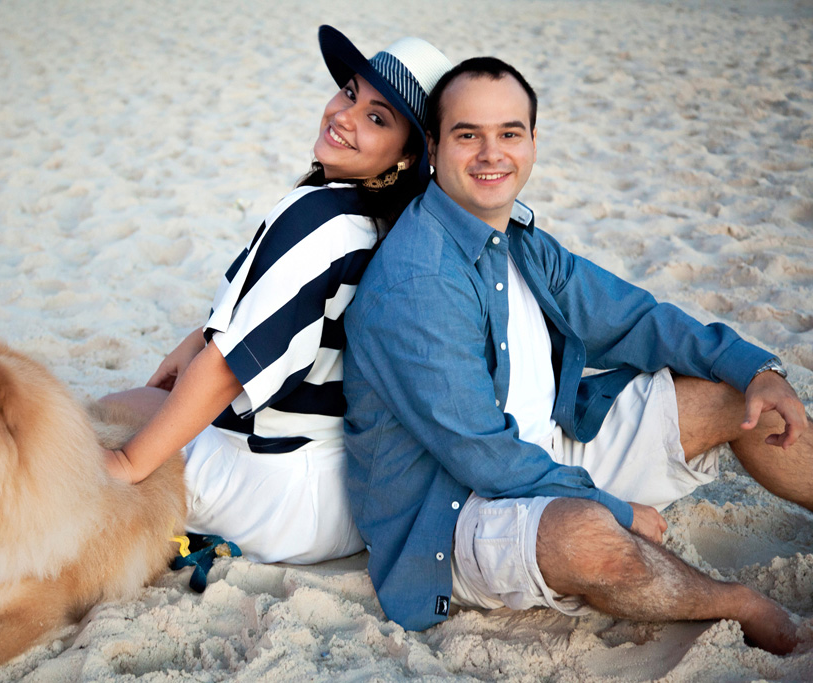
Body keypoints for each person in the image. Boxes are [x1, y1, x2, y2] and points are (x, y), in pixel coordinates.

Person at [343, 56, 812, 653]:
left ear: (532, 142)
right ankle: (737, 603)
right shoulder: (421, 278)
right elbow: (481, 453)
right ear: (433, 146)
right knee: (589, 537)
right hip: (454, 511)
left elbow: (634, 317)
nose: (492, 154)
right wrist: (611, 506)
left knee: (741, 397)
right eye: (468, 136)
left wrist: (758, 369)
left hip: (547, 451)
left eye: (509, 133)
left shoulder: (517, 241)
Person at [100, 26, 452, 565]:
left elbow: (227, 370)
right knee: (136, 405)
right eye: (350, 93)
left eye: (377, 118)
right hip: (346, 493)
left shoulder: (320, 217)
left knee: (100, 422)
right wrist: (198, 338)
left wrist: (128, 464)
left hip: (272, 488)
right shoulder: (395, 225)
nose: (344, 116)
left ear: (408, 156)